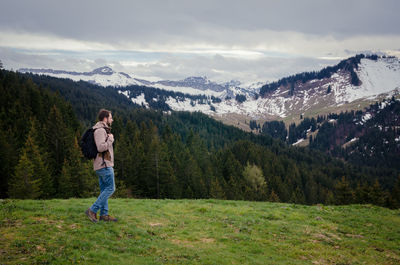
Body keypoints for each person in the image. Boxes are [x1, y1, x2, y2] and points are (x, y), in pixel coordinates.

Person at [85, 109, 118, 222]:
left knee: (104, 189)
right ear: (105, 118)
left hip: (102, 164)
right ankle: (93, 210)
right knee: (111, 188)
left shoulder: (102, 129)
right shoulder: (99, 130)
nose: (112, 119)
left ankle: (104, 215)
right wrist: (110, 139)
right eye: (110, 117)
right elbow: (100, 147)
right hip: (104, 164)